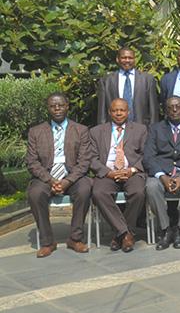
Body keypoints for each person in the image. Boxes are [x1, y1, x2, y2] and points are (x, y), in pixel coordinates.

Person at [26, 93, 93, 257]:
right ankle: (47, 242)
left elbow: (84, 162)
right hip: (46, 177)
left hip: (73, 177)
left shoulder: (81, 130)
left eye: (60, 105)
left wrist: (67, 181)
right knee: (35, 194)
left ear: (67, 106)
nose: (57, 108)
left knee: (85, 189)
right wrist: (51, 180)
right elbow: (32, 162)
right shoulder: (35, 132)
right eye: (52, 106)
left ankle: (75, 239)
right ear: (47, 108)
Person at [143, 96, 180, 251]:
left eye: (178, 106)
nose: (174, 110)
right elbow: (149, 156)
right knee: (151, 187)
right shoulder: (155, 129)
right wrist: (161, 176)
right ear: (166, 110)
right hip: (161, 172)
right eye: (170, 107)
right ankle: (166, 230)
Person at [89, 98, 147, 252]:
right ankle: (126, 234)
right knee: (98, 193)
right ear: (109, 112)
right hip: (108, 173)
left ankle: (119, 235)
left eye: (122, 110)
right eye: (115, 110)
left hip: (132, 173)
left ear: (128, 112)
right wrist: (108, 172)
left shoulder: (140, 129)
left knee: (139, 193)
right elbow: (92, 159)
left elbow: (146, 155)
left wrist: (132, 170)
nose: (119, 113)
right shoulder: (96, 132)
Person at [96, 47, 160, 125]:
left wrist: (152, 132)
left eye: (130, 58)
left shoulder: (148, 80)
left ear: (134, 59)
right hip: (114, 130)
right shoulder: (106, 81)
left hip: (141, 130)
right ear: (117, 59)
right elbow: (102, 113)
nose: (127, 60)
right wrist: (102, 132)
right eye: (124, 58)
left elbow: (153, 112)